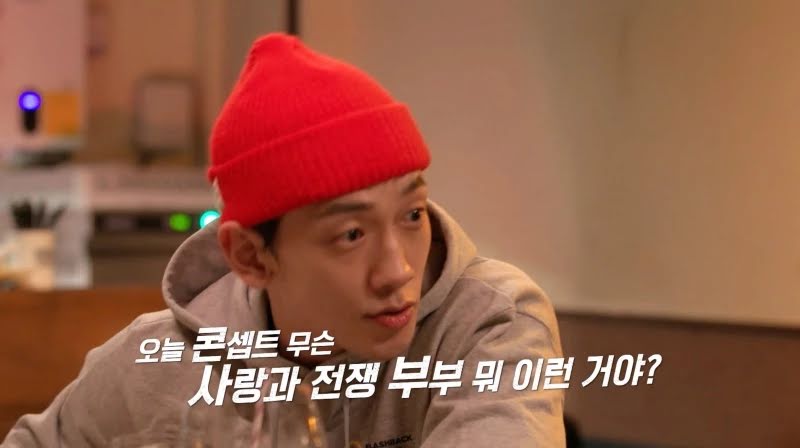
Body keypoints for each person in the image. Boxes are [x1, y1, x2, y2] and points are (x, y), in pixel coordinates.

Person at [2, 33, 565, 447]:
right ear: (252, 256)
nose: (397, 270)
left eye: (412, 215)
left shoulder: (490, 324)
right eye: (351, 234)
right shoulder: (160, 362)